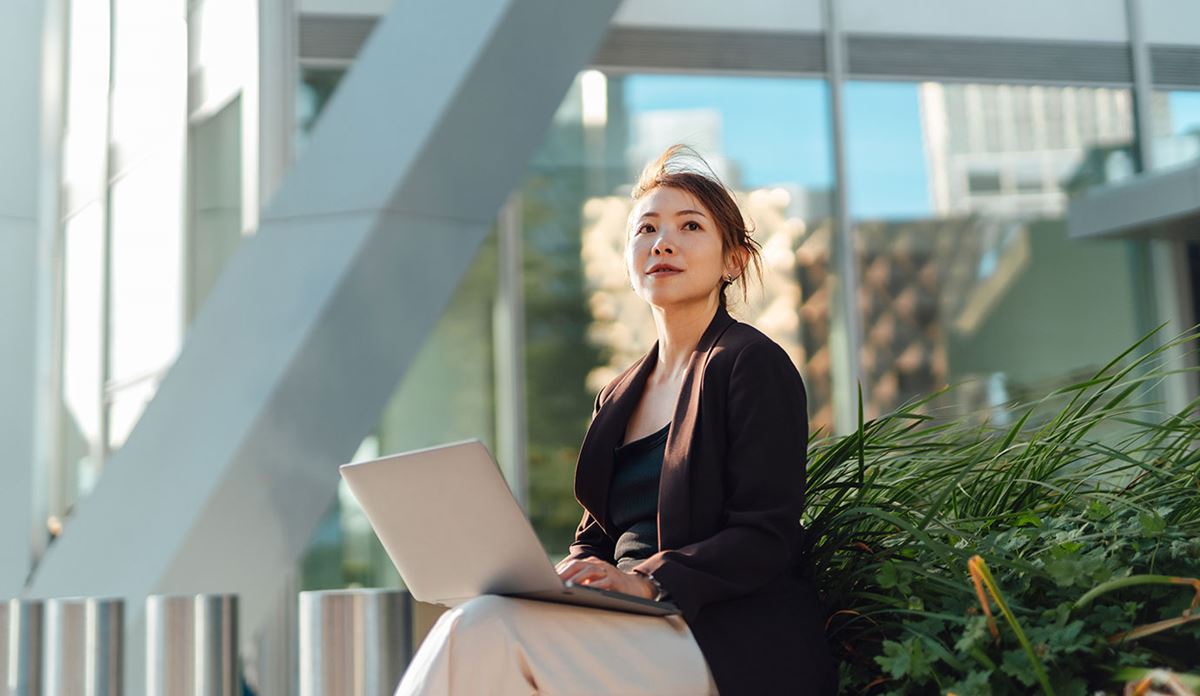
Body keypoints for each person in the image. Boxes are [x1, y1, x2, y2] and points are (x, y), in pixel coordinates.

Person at [394, 144, 836, 696]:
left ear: (733, 261)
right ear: (629, 261)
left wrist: (645, 583)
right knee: (478, 621)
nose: (662, 242)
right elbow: (595, 540)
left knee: (485, 630)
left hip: (721, 639)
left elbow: (764, 533)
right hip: (627, 625)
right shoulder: (619, 393)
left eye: (689, 226)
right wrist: (557, 581)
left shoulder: (749, 363)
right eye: (645, 230)